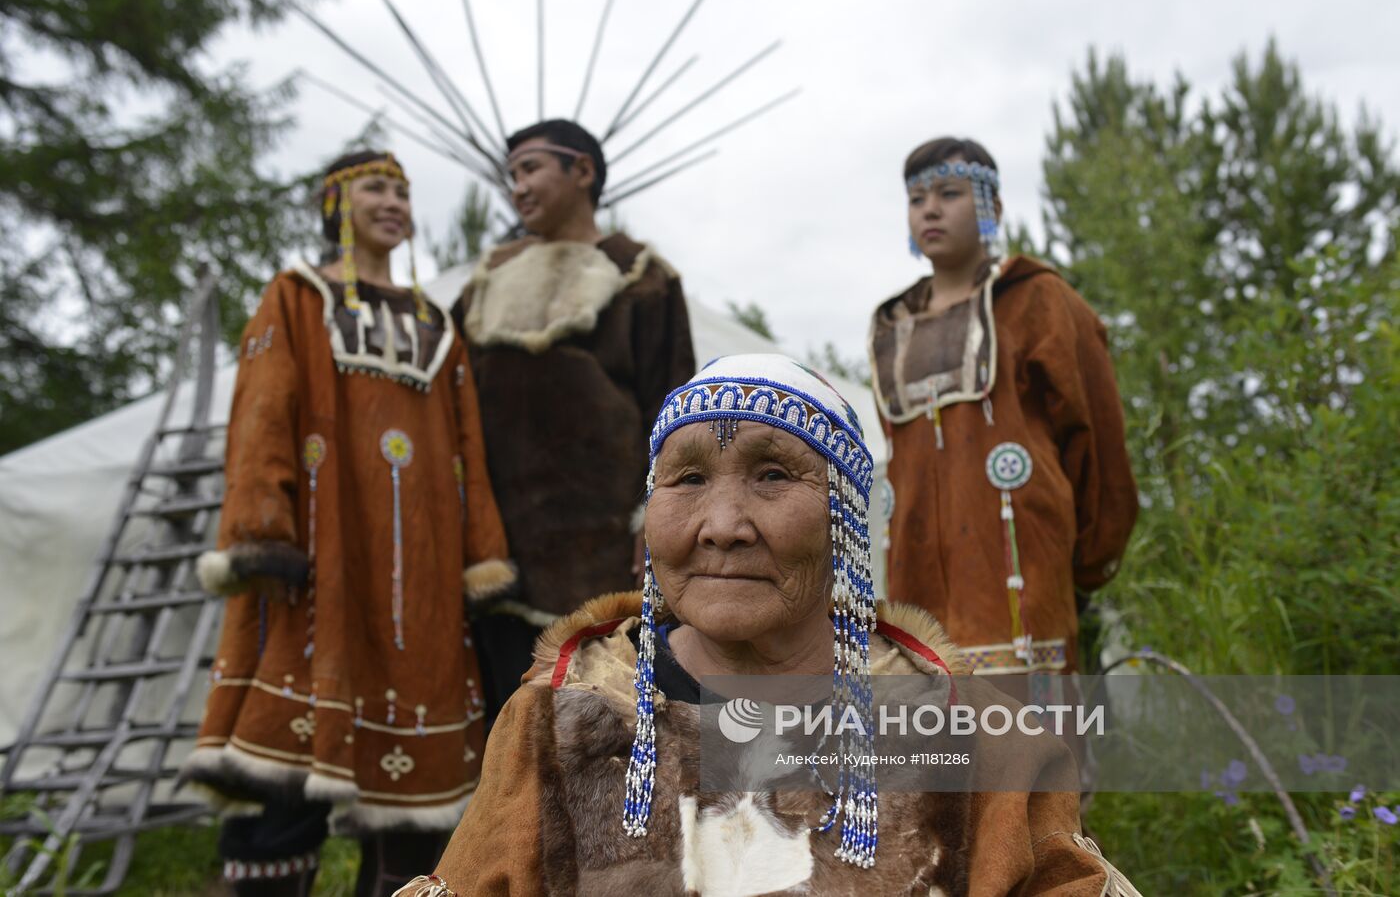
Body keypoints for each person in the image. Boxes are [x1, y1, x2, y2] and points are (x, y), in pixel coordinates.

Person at [394, 354, 1141, 895]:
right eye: (686, 479)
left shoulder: (983, 746)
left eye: (774, 475)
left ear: (847, 519)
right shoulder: (554, 723)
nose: (722, 526)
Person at [182, 151, 514, 896]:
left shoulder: (437, 321)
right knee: (283, 773)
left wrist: (479, 554)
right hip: (325, 556)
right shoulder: (297, 297)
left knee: (418, 801)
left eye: (402, 191)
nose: (393, 201)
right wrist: (262, 531)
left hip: (421, 579)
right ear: (336, 202)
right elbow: (262, 414)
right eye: (375, 187)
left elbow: (469, 448)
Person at [453, 118, 695, 724]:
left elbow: (677, 415)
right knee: (509, 731)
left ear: (582, 171)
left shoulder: (641, 276)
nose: (518, 189)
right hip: (497, 554)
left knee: (609, 728)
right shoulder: (484, 283)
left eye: (531, 169)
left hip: (605, 551)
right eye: (511, 176)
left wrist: (656, 521)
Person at [869, 137, 1138, 676]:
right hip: (915, 587)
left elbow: (1097, 443)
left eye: (950, 192)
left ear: (992, 207)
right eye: (918, 198)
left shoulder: (1039, 299)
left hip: (1022, 577)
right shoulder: (892, 323)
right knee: (928, 742)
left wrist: (1082, 567)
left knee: (1031, 747)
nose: (931, 208)